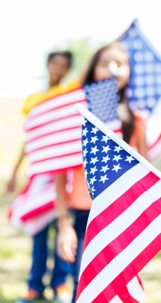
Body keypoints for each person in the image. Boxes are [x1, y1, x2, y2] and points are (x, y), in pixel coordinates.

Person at [54, 42, 148, 303]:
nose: (113, 69)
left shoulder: (136, 119)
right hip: (85, 216)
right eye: (105, 63)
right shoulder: (76, 117)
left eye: (120, 63)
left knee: (118, 290)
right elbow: (60, 176)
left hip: (122, 216)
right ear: (93, 70)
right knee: (84, 290)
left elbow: (145, 174)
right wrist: (64, 225)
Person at [8, 50, 74, 303]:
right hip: (40, 174)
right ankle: (34, 285)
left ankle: (60, 283)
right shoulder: (35, 100)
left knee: (62, 226)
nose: (58, 69)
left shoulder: (66, 96)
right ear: (47, 65)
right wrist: (14, 173)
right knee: (37, 230)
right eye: (55, 64)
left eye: (63, 66)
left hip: (62, 174)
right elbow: (29, 139)